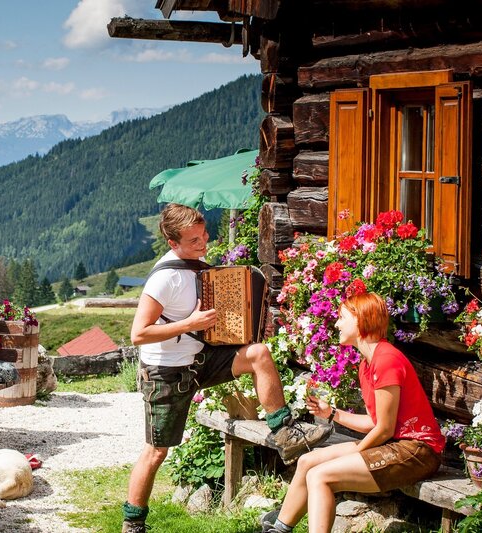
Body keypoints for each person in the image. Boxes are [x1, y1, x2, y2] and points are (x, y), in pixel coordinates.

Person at [122, 203, 332, 533]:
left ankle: (285, 434)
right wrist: (189, 324)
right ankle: (133, 523)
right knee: (156, 452)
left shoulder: (198, 268)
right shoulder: (164, 278)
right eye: (194, 240)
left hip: (199, 360)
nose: (203, 243)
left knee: (258, 354)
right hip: (165, 373)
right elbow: (138, 334)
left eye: (204, 235)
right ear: (173, 243)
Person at [260, 292, 445, 533]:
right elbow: (374, 422)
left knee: (320, 476)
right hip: (394, 444)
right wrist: (331, 413)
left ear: (361, 320)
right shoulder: (367, 364)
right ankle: (278, 529)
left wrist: (357, 451)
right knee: (307, 461)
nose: (337, 324)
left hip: (418, 451)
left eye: (342, 317)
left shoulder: (386, 360)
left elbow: (384, 429)